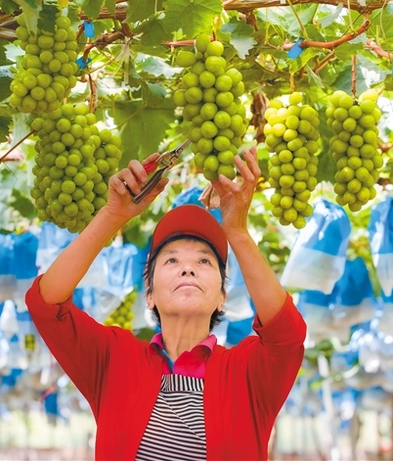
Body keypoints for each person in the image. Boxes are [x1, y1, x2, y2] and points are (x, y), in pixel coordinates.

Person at [25, 146, 307, 460]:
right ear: (149, 294)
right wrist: (111, 216)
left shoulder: (247, 373)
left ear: (222, 298)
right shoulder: (114, 360)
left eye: (204, 262)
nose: (188, 268)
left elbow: (286, 335)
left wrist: (237, 232)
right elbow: (46, 304)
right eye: (171, 260)